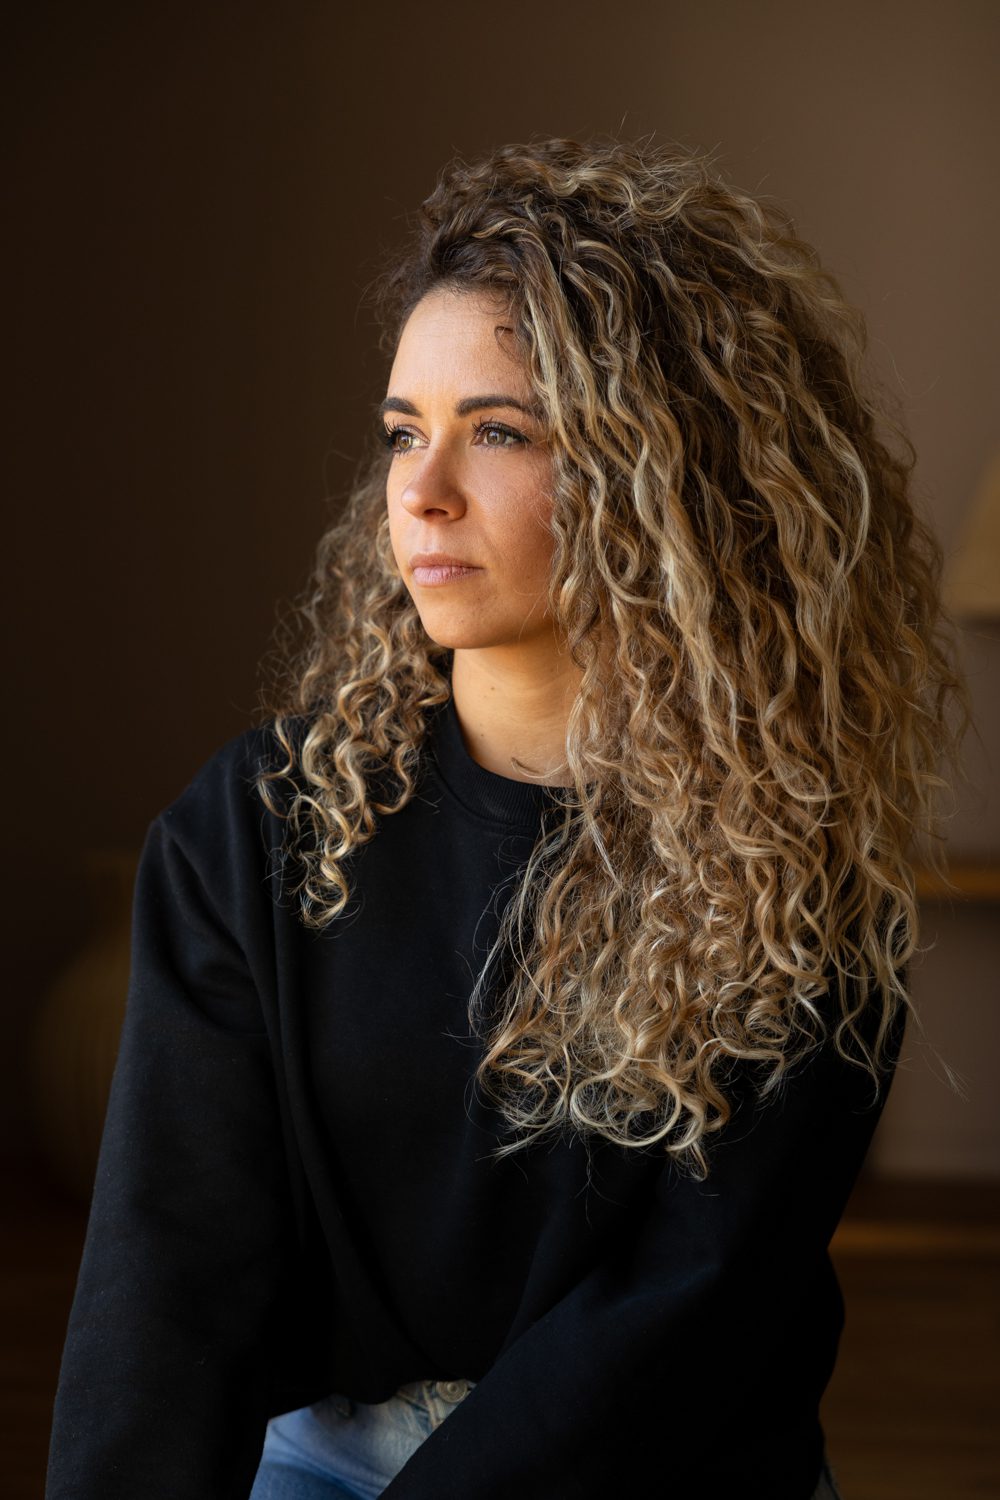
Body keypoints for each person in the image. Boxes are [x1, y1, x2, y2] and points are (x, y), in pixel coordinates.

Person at [45, 134, 971, 1500]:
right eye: (402, 432)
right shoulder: (253, 828)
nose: (419, 491)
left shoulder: (793, 867)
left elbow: (686, 1314)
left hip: (666, 1472)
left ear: (662, 473)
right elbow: (172, 1277)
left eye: (498, 432)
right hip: (322, 1459)